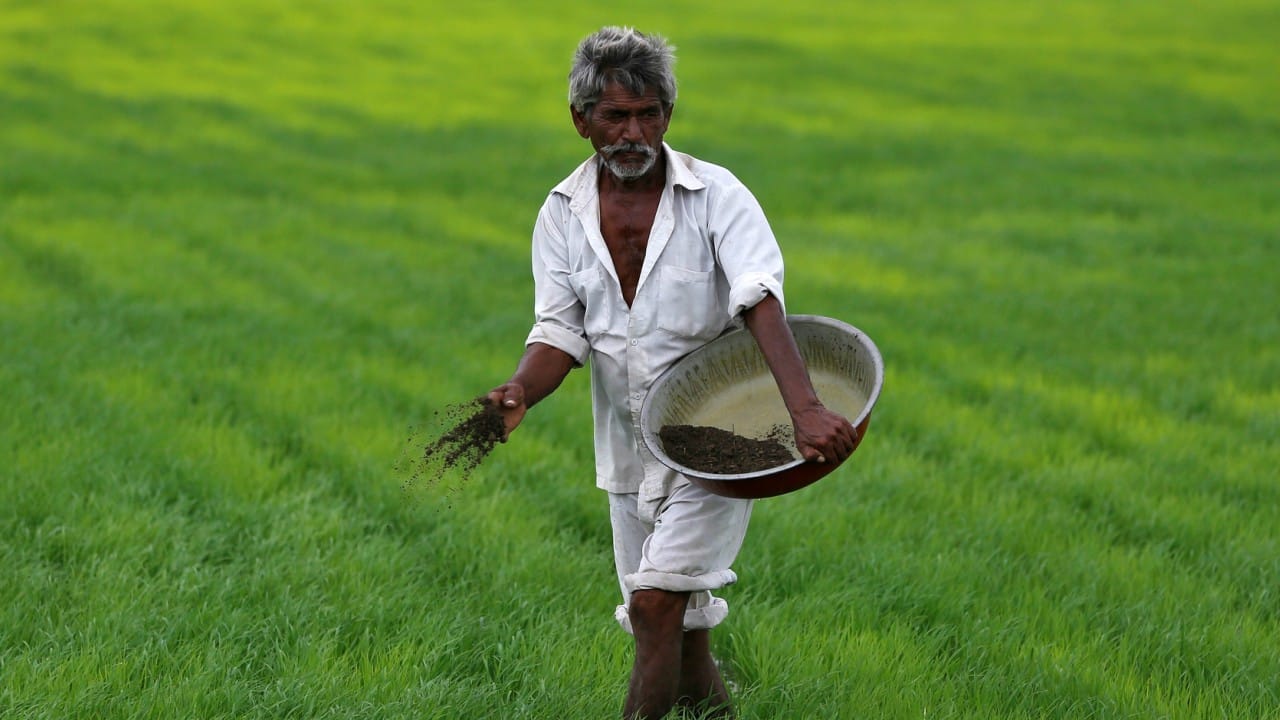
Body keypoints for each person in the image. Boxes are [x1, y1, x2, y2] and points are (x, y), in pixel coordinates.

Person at [486, 26, 857, 720]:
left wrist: (804, 408)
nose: (635, 132)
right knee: (682, 639)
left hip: (720, 440)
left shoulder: (717, 196)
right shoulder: (562, 212)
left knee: (655, 606)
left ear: (668, 114)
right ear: (581, 121)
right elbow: (560, 329)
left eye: (649, 113)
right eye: (616, 116)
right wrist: (520, 391)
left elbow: (759, 296)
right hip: (628, 448)